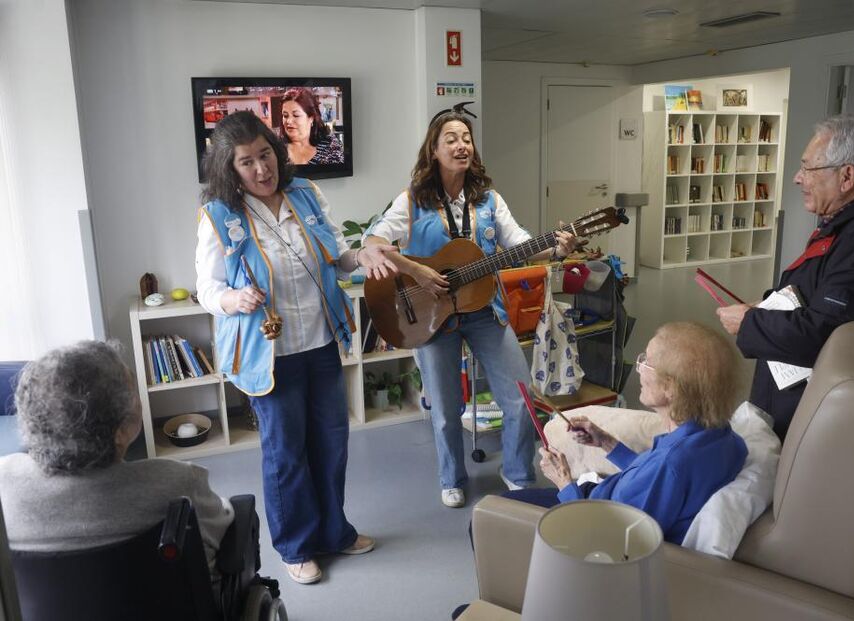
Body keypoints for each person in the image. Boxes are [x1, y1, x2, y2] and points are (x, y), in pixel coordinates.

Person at [195, 111, 396, 584]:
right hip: (270, 354)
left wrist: (361, 255)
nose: (262, 169)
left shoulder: (306, 193)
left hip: (320, 341)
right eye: (247, 162)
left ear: (276, 150)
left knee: (331, 444)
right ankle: (295, 544)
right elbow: (206, 288)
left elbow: (336, 256)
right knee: (286, 454)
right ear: (230, 168)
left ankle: (334, 532)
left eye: (265, 155)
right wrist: (234, 298)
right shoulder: (218, 216)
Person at [361, 108, 576, 508]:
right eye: (451, 139)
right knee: (446, 409)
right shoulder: (410, 202)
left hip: (486, 313)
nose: (461, 145)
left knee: (519, 398)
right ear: (434, 150)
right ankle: (451, 477)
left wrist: (556, 247)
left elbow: (519, 242)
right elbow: (372, 244)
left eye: (466, 138)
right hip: (429, 318)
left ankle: (517, 474)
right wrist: (417, 272)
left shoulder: (489, 200)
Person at [716, 114, 854, 468]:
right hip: (815, 404)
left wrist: (752, 322)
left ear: (846, 176)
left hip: (833, 422)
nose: (798, 178)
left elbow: (831, 331)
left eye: (807, 168)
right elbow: (825, 290)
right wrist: (770, 303)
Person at [0, 341, 234, 581]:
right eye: (134, 393)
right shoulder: (177, 483)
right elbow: (222, 528)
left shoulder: (4, 481)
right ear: (121, 430)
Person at [507, 322, 748, 545]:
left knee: (489, 513)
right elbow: (651, 481)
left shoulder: (673, 463)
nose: (639, 368)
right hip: (605, 503)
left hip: (591, 517)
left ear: (671, 388)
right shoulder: (723, 437)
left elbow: (610, 539)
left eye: (647, 362)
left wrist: (563, 482)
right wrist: (606, 442)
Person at [280, 87, 344, 165]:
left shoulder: (331, 148)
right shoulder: (275, 148)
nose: (288, 121)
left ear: (311, 118)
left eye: (296, 115)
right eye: (285, 116)